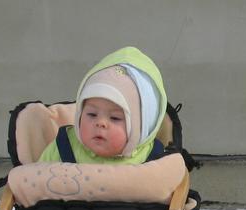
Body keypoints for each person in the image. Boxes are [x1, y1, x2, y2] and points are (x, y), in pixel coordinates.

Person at [38, 46, 167, 165]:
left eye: (115, 118)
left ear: (140, 130)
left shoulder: (154, 161)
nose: (100, 123)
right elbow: (37, 177)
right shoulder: (63, 147)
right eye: (92, 114)